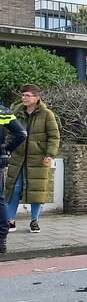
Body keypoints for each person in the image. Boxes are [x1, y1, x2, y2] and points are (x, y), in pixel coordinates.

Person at [6, 84, 59, 234]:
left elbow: (54, 137)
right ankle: (10, 221)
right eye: (22, 95)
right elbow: (10, 133)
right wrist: (8, 149)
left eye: (27, 95)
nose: (24, 98)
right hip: (18, 158)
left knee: (37, 191)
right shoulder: (16, 112)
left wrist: (50, 154)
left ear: (36, 97)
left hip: (38, 160)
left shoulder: (47, 114)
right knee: (14, 189)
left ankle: (34, 221)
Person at [0, 102, 27, 253]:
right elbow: (22, 134)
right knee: (0, 199)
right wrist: (6, 149)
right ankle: (2, 239)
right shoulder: (3, 111)